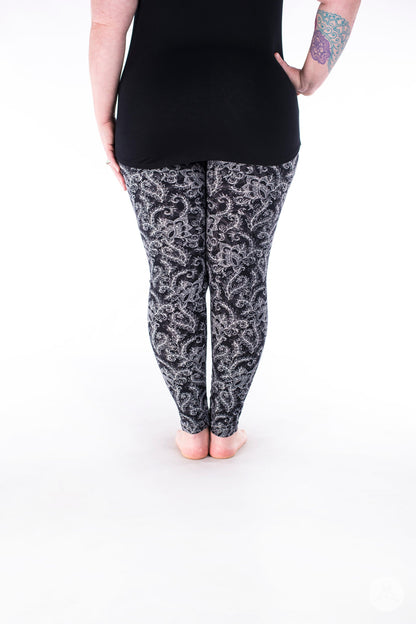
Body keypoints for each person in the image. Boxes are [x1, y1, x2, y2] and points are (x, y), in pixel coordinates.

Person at [88, 0, 361, 460]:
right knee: (241, 278)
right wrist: (313, 74)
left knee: (174, 279)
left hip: (154, 108)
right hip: (255, 102)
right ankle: (226, 431)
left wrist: (103, 118)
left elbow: (105, 23)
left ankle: (192, 431)